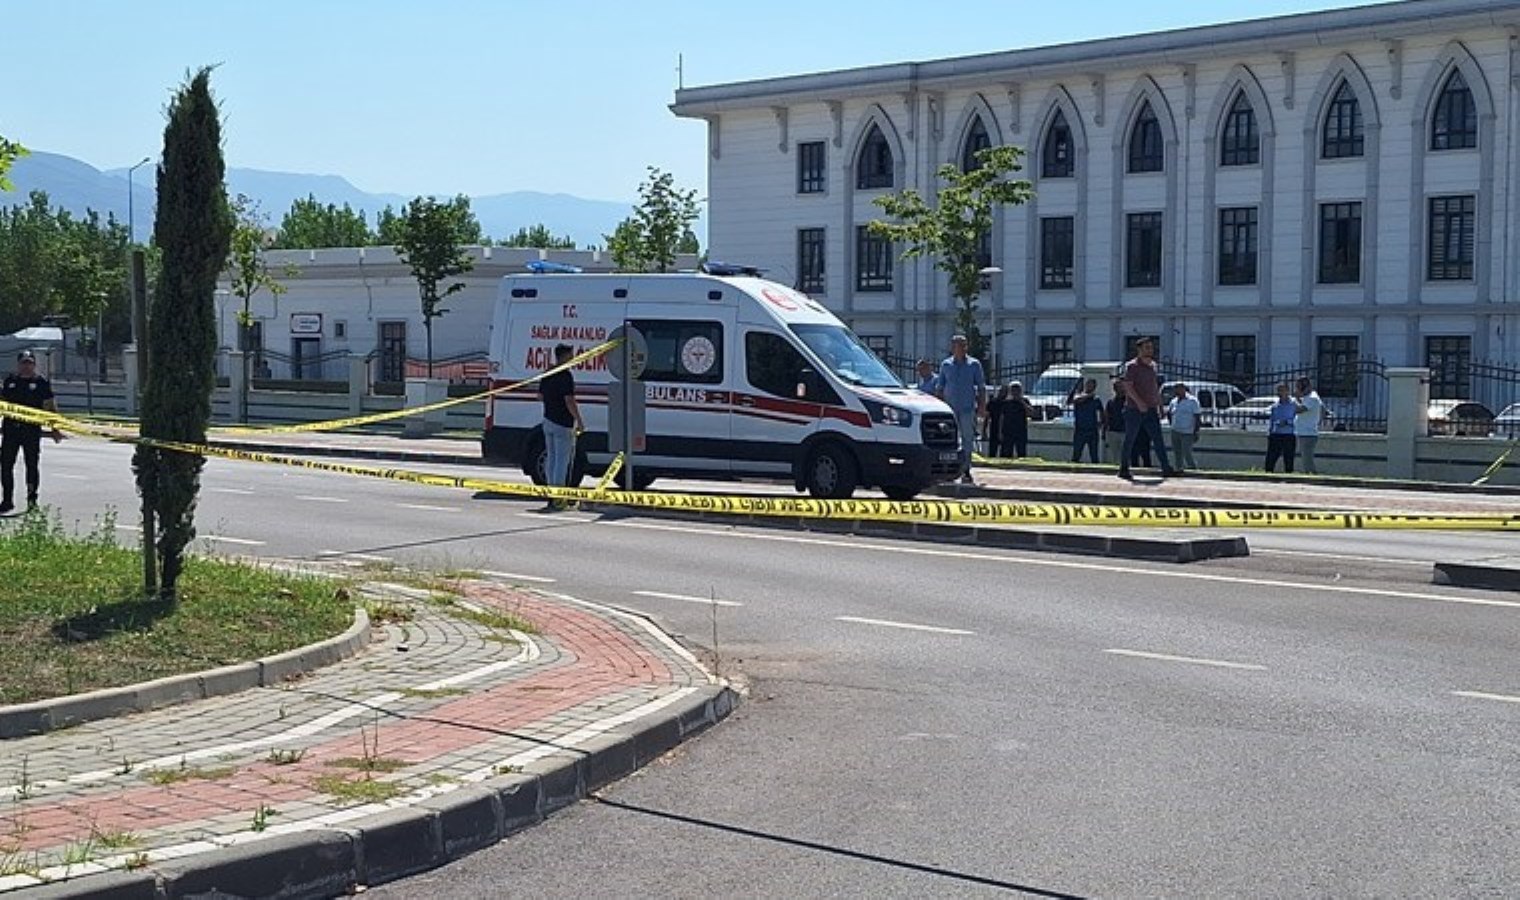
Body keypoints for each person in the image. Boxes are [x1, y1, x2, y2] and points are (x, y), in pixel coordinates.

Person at [0, 351, 63, 514]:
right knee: (6, 465)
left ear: (34, 365)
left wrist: (55, 428)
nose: (26, 366)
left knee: (32, 466)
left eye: (29, 363)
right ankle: (7, 500)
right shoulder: (10, 381)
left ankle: (32, 500)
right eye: (23, 363)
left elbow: (50, 407)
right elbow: (2, 404)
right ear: (18, 364)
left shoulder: (41, 382)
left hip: (31, 431)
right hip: (11, 430)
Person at [1116, 337, 1177, 480]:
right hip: (1133, 410)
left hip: (1150, 409)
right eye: (1147, 347)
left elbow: (1154, 388)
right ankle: (1124, 468)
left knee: (1158, 439)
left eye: (1151, 347)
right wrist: (1139, 403)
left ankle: (1165, 467)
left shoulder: (1152, 366)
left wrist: (1160, 406)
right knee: (1130, 439)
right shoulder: (1132, 366)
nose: (1150, 350)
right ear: (1139, 349)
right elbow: (1128, 386)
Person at [537, 343, 584, 512]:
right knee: (562, 462)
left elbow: (539, 396)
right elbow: (569, 400)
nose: (573, 358)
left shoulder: (548, 373)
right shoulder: (565, 376)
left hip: (548, 420)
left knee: (551, 459)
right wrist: (578, 420)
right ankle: (558, 496)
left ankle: (551, 493)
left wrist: (551, 403)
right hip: (563, 423)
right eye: (571, 355)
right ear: (564, 356)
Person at [936, 335, 986, 484]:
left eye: (964, 345)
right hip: (949, 410)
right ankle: (948, 470)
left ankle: (966, 470)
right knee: (949, 440)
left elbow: (981, 387)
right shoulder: (946, 365)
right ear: (953, 347)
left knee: (967, 439)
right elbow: (940, 388)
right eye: (959, 345)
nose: (962, 348)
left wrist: (982, 407)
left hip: (967, 408)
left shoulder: (974, 364)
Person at [1167, 382, 1202, 473]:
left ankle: (1193, 469)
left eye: (1178, 389)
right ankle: (1179, 469)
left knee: (1187, 452)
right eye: (1175, 389)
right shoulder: (1173, 401)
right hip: (1175, 430)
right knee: (1177, 452)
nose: (1176, 391)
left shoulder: (1192, 401)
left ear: (1183, 389)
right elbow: (1169, 413)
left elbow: (1197, 417)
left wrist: (1196, 431)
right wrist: (1172, 424)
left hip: (1188, 431)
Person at [1069, 378, 1106, 464]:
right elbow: (1075, 400)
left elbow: (1101, 412)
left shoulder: (1096, 400)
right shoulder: (1078, 395)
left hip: (1092, 430)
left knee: (1094, 455)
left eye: (1093, 385)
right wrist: (1088, 396)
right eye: (1089, 385)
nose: (1090, 387)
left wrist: (1101, 423)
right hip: (1080, 430)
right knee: (1076, 454)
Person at [1293, 377, 1324, 474]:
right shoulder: (1308, 398)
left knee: (1307, 458)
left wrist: (1294, 400)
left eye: (1298, 387)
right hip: (1303, 432)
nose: (1297, 389)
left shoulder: (1312, 398)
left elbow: (1299, 410)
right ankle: (1309, 473)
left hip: (1308, 433)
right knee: (1305, 457)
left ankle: (1311, 474)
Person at [1265, 381, 1297, 473]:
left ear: (1287, 391)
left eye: (1282, 390)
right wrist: (1270, 432)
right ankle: (1268, 474)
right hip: (1276, 434)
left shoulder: (1294, 405)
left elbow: (1298, 419)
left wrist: (1287, 422)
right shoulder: (1275, 406)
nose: (1280, 393)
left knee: (1289, 458)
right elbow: (1272, 420)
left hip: (1289, 435)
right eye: (1278, 391)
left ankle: (1289, 476)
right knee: (1271, 457)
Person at [1000, 381, 1034, 458]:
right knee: (1006, 453)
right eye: (1013, 390)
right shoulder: (1006, 403)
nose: (1015, 392)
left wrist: (1022, 402)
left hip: (1020, 431)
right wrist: (1000, 432)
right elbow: (1002, 418)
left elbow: (1031, 413)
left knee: (1021, 452)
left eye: (1017, 390)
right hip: (1008, 431)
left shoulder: (1025, 401)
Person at [1104, 379, 1128, 466]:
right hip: (1113, 430)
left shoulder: (1128, 401)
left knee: (1125, 453)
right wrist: (1105, 430)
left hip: (1125, 431)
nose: (1120, 389)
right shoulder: (1111, 402)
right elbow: (1106, 416)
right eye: (1117, 387)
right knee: (1115, 454)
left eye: (1121, 387)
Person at [985, 384, 1008, 458]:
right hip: (994, 428)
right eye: (1001, 391)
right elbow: (987, 417)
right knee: (992, 452)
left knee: (1005, 453)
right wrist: (984, 430)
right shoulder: (993, 402)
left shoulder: (1008, 403)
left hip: (1006, 430)